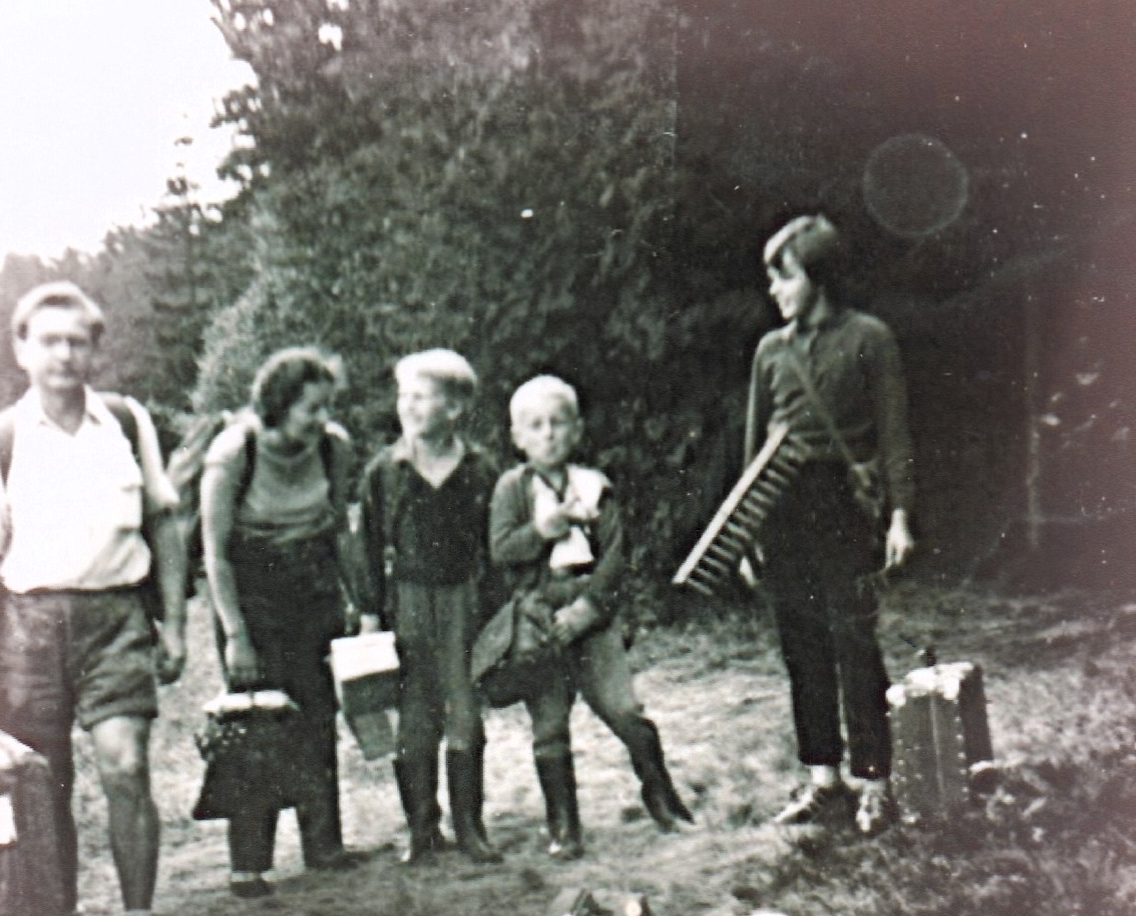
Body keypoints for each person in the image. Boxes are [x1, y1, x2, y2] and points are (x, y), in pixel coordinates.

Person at [0, 281, 187, 916]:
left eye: (78, 342)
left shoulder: (127, 423)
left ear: (95, 352)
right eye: (49, 341)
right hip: (27, 631)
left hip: (116, 620)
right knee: (41, 788)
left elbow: (165, 525)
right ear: (21, 349)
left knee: (126, 764)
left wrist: (175, 623)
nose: (64, 355)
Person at [743, 213, 916, 836]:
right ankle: (824, 780)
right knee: (802, 645)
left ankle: (875, 784)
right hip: (782, 509)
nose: (774, 290)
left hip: (844, 506)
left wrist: (899, 516)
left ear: (818, 277)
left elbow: (894, 434)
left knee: (854, 643)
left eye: (784, 276)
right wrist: (747, 529)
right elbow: (755, 448)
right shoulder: (771, 350)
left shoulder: (870, 337)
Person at [489, 375, 693, 860]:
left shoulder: (594, 486)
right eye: (535, 426)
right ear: (518, 437)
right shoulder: (512, 488)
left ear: (577, 429)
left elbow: (615, 556)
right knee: (549, 722)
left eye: (558, 423)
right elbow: (500, 549)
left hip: (590, 610)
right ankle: (564, 825)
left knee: (623, 709)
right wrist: (540, 531)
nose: (548, 434)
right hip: (540, 616)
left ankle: (662, 797)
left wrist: (589, 608)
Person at [200, 346, 362, 898]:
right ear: (277, 404)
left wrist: (360, 601)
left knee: (319, 717)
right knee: (257, 725)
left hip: (313, 591)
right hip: (252, 596)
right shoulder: (234, 453)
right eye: (310, 408)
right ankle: (249, 863)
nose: (322, 419)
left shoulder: (335, 448)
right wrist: (236, 635)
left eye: (327, 406)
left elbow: (339, 529)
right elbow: (215, 553)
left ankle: (325, 847)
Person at [359, 349, 504, 865]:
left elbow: (495, 546)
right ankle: (422, 828)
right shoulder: (385, 471)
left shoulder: (480, 469)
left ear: (454, 408)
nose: (408, 406)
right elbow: (367, 547)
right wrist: (370, 615)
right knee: (416, 715)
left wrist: (495, 611)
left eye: (422, 397)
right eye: (404, 396)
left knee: (464, 709)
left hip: (464, 599)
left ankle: (470, 826)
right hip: (408, 604)